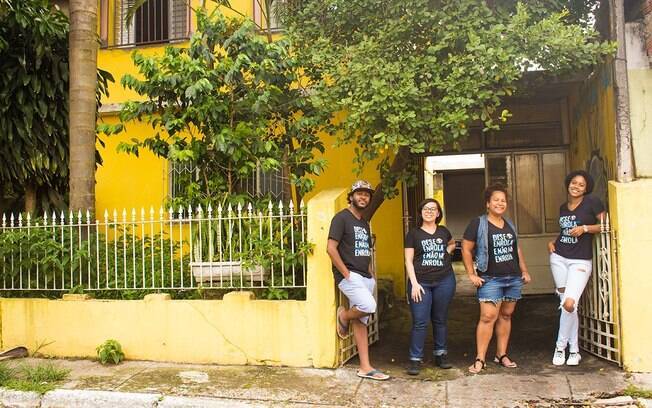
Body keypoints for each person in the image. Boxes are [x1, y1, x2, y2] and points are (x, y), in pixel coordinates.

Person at [462, 184, 531, 374]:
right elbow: (466, 249)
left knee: (506, 316)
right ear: (487, 203)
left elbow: (516, 249)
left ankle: (501, 354)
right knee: (488, 317)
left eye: (503, 200)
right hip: (490, 278)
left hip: (513, 278)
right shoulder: (478, 223)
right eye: (496, 200)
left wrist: (524, 271)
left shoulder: (509, 224)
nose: (500, 203)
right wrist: (471, 274)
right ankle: (480, 358)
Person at [327, 180, 389, 381]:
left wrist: (370, 272)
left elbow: (365, 250)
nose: (363, 197)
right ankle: (344, 317)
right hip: (350, 276)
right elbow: (330, 248)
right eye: (359, 193)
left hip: (365, 276)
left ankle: (365, 367)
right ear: (351, 196)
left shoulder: (363, 222)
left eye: (367, 194)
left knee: (362, 321)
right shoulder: (341, 218)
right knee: (368, 306)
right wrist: (346, 274)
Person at [548, 170, 605, 366]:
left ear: (586, 188)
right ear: (568, 184)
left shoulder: (592, 203)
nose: (576, 186)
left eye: (581, 184)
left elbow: (607, 225)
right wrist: (552, 242)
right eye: (574, 183)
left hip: (580, 260)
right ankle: (574, 351)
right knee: (567, 307)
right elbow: (564, 231)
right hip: (559, 258)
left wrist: (586, 228)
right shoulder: (563, 207)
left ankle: (560, 346)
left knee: (569, 304)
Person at [404, 198, 456, 375]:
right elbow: (408, 261)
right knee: (420, 321)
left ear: (438, 213)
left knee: (440, 319)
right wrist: (414, 284)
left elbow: (452, 243)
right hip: (421, 282)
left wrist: (446, 254)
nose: (429, 211)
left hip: (444, 280)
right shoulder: (413, 234)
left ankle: (440, 355)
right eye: (426, 209)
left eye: (433, 209)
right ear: (420, 212)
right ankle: (415, 359)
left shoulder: (443, 231)